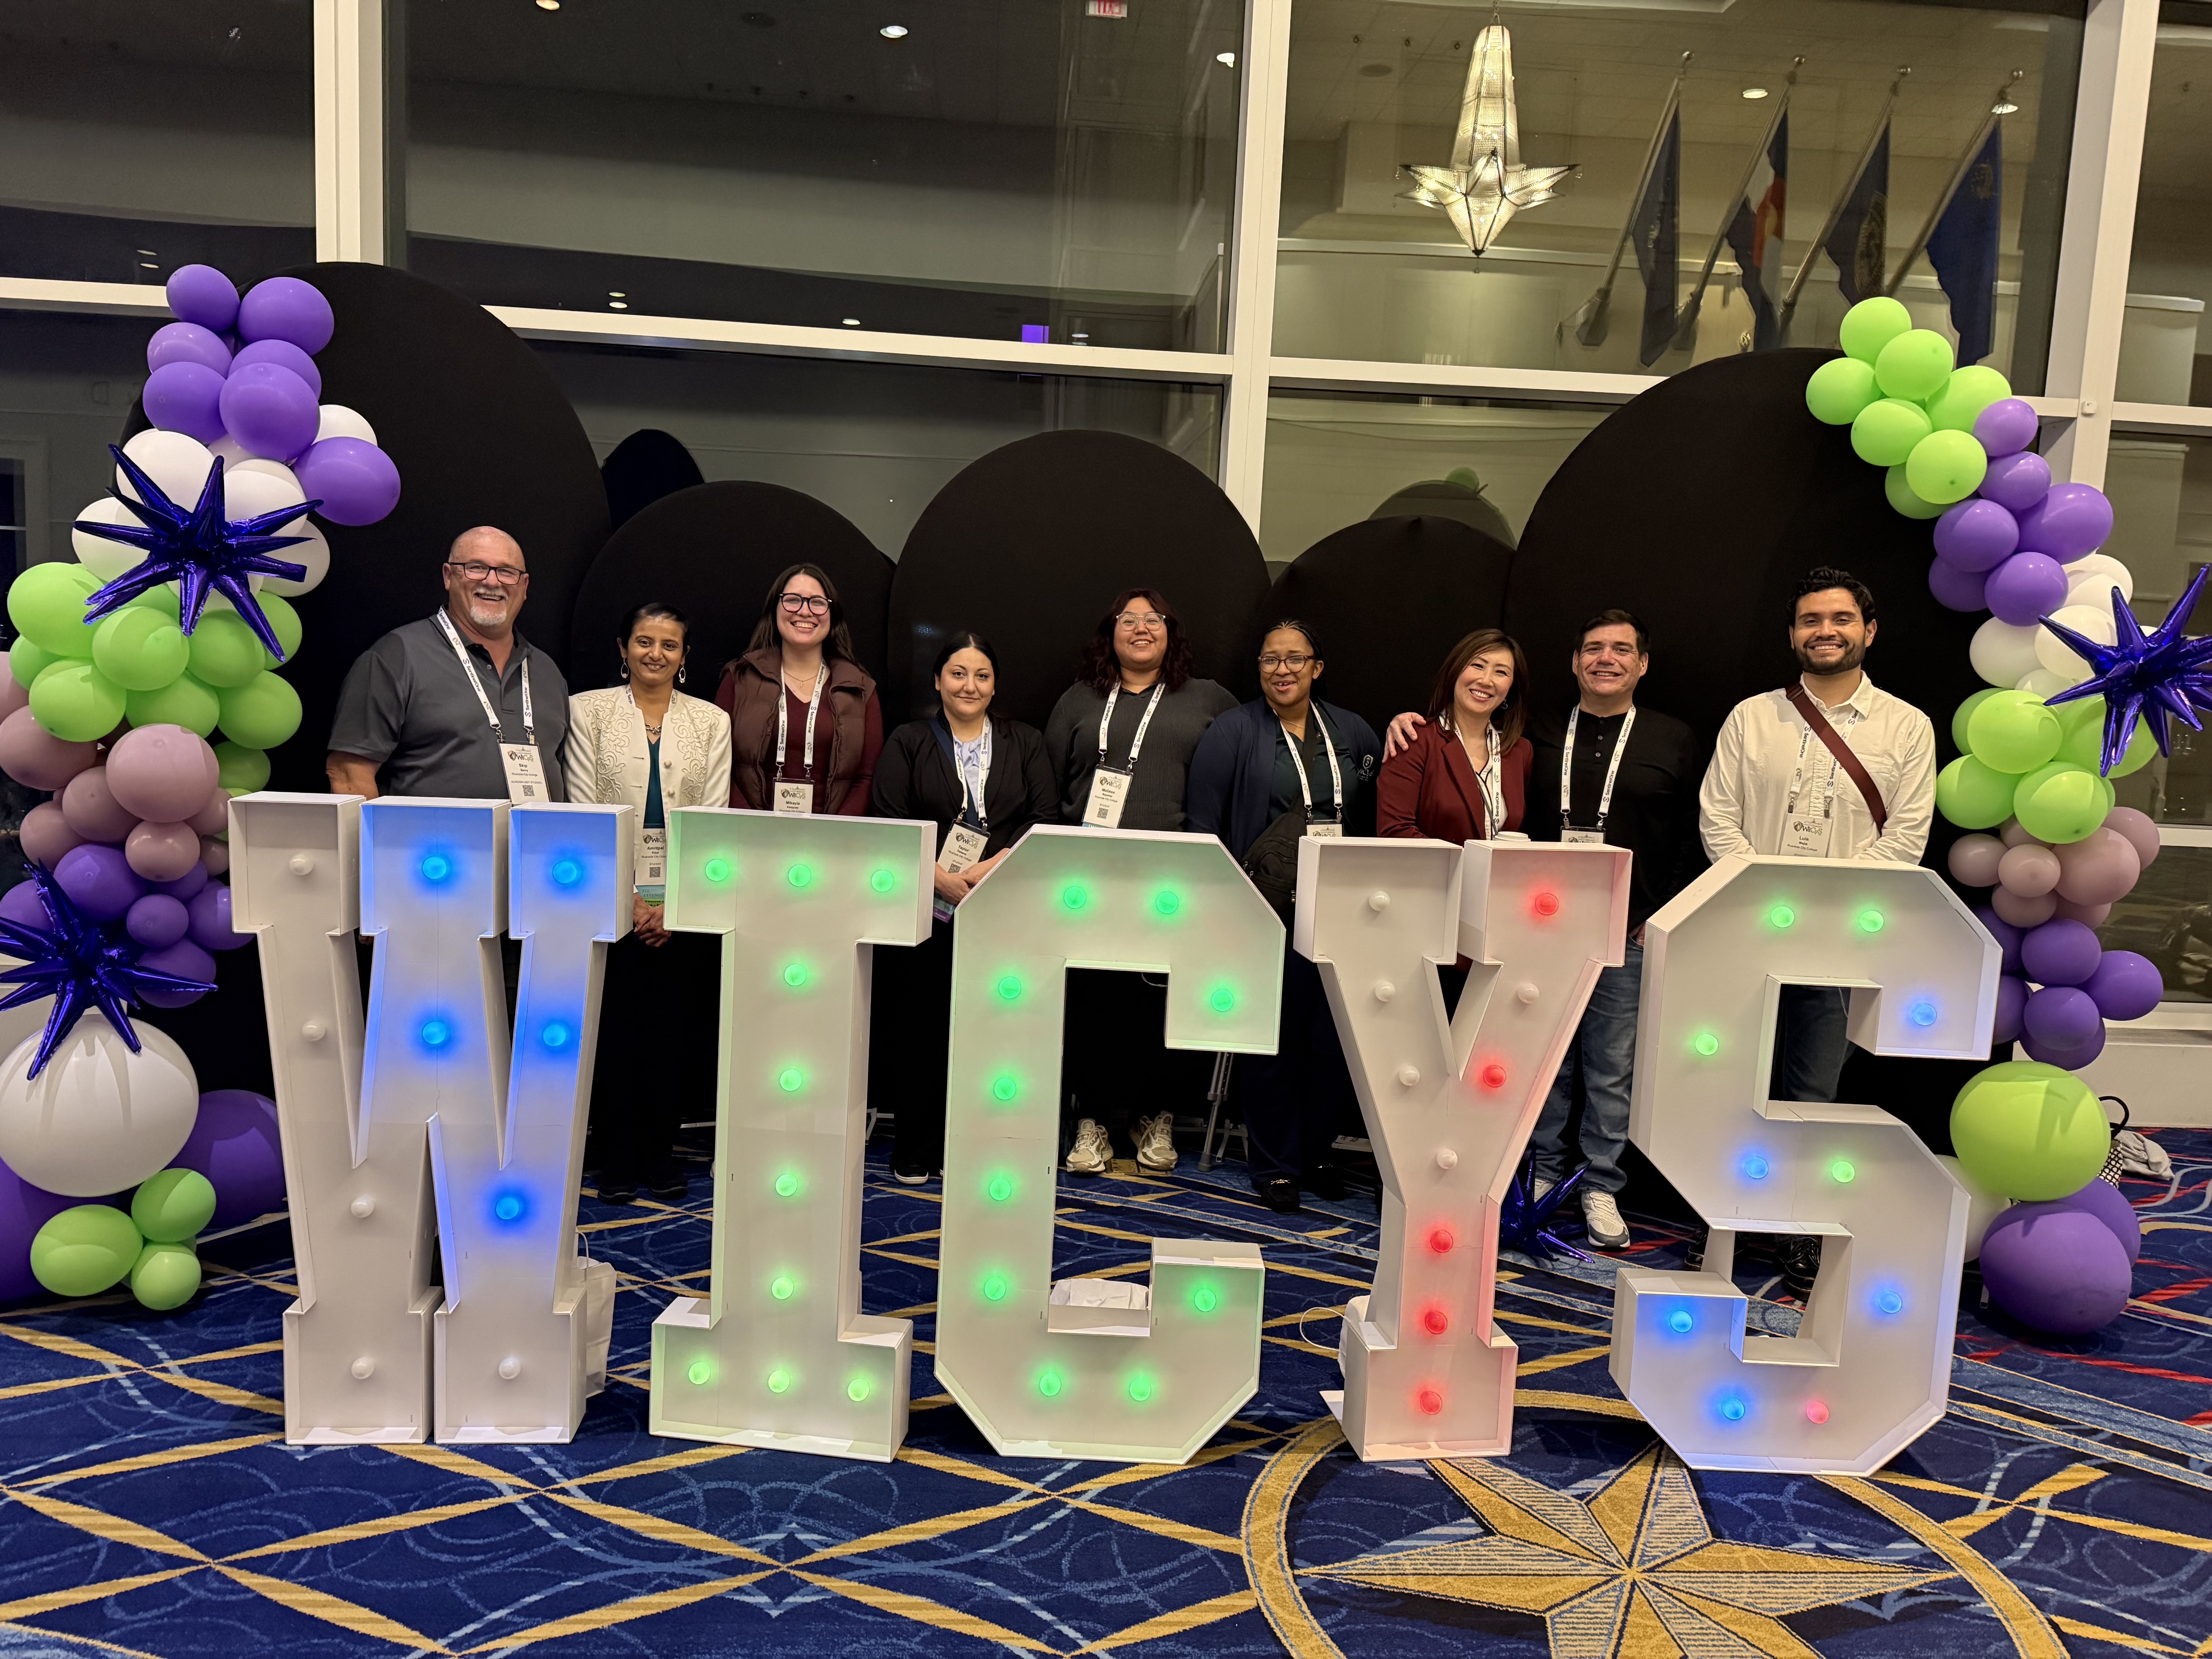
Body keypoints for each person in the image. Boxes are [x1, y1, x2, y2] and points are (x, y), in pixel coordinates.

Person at [1697, 566, 1936, 1295]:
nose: (1823, 631)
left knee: (1812, 1092)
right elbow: (1718, 817)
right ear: (1792, 633)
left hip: (1840, 945)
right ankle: (1725, 1221)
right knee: (1728, 1084)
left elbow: (1905, 838)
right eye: (1809, 619)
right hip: (1748, 933)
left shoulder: (1906, 725)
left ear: (1868, 629)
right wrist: (1770, 899)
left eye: (1838, 618)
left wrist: (1823, 910)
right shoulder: (1751, 717)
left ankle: (1797, 1225)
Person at [1519, 610, 1705, 1252]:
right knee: (1545, 1063)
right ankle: (1544, 1171)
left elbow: (1691, 836)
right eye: (1592, 647)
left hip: (1627, 931)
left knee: (1609, 1068)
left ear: (1641, 664)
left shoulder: (1673, 737)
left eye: (1621, 649)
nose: (1606, 658)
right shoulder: (1537, 729)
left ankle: (1600, 1183)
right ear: (1574, 662)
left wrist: (1657, 915)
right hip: (1543, 930)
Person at [1187, 621, 1380, 1212]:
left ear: (1317, 667)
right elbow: (1204, 826)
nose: (1283, 669)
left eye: (1296, 659)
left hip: (1341, 916)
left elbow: (1372, 812)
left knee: (1333, 1042)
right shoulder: (1233, 732)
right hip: (1265, 911)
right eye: (1271, 659)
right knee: (1273, 1041)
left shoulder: (1352, 731)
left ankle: (1317, 1153)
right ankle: (1273, 1164)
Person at [1043, 589, 1237, 1176]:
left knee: (1162, 1003)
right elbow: (1051, 784)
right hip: (1090, 879)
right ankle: (1093, 1120)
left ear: (1172, 633)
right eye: (1129, 619)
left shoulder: (1207, 699)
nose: (1142, 628)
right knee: (1094, 1000)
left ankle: (1157, 1115)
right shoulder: (1079, 700)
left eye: (1155, 619)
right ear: (1111, 633)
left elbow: (1246, 758)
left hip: (1173, 881)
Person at [871, 634, 1058, 1185]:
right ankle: (915, 1144)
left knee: (992, 1029)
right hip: (925, 911)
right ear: (937, 681)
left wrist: (988, 869)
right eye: (957, 673)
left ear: (995, 684)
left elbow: (1044, 816)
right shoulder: (908, 741)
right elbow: (889, 816)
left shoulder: (1024, 742)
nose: (968, 685)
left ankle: (972, 1142)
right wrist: (940, 879)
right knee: (919, 1029)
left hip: (1000, 910)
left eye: (980, 675)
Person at [562, 603, 732, 1204]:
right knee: (613, 1032)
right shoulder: (588, 712)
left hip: (679, 906)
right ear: (623, 647)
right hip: (609, 901)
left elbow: (710, 820)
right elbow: (583, 809)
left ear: (685, 657)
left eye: (669, 645)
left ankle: (659, 1154)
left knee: (668, 1034)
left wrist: (673, 904)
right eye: (644, 641)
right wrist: (628, 900)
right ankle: (614, 1158)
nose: (655, 654)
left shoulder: (712, 721)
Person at [327, 526, 568, 802]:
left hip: (536, 844)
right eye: (476, 568)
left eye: (507, 572)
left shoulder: (547, 671)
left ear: (524, 587)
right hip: (426, 845)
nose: (492, 582)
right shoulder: (397, 656)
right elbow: (348, 773)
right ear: (448, 576)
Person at [716, 563, 883, 816]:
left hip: (831, 841)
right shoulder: (739, 678)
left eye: (817, 602)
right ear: (775, 610)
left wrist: (832, 834)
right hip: (748, 838)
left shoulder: (860, 689)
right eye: (793, 600)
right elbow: (719, 767)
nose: (805, 612)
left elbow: (867, 778)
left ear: (832, 614)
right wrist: (751, 827)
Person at [1376, 627, 1533, 844]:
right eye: (1478, 666)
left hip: (1498, 877)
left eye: (1501, 672)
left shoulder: (1519, 751)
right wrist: (1465, 867)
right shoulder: (1414, 739)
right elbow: (1394, 831)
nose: (1487, 681)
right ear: (1456, 671)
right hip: (1432, 877)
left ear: (1511, 688)